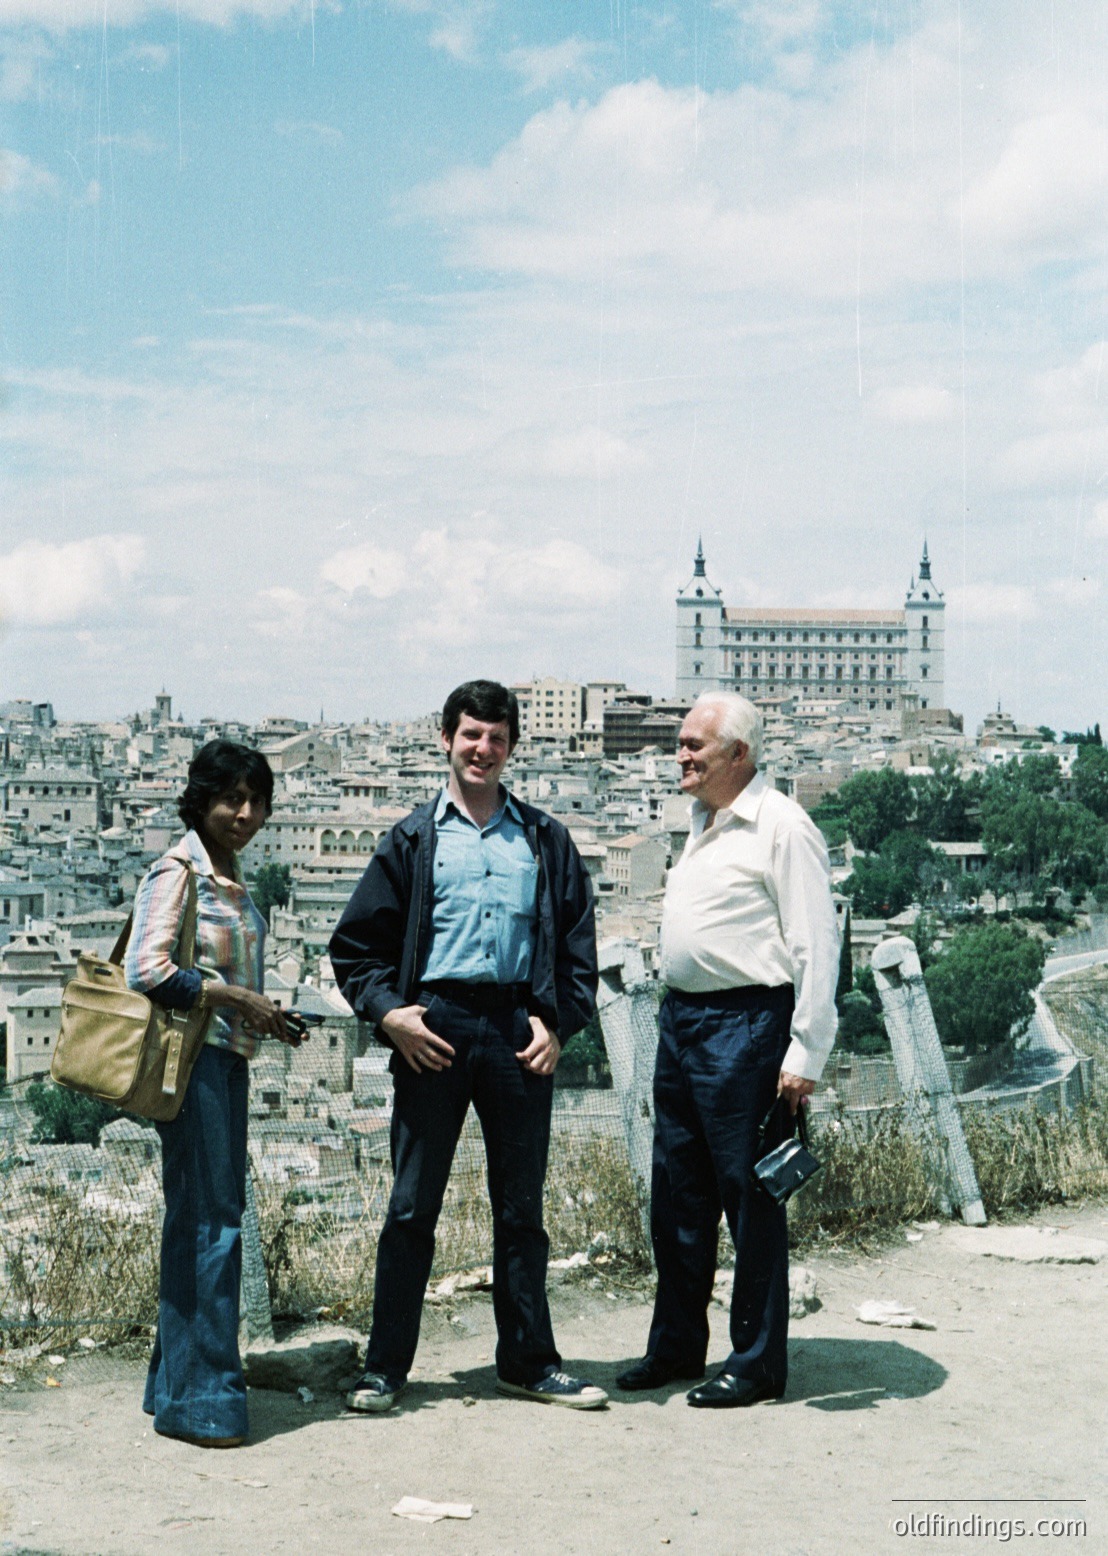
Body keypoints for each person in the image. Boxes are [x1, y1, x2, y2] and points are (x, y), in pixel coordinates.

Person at [329, 679, 605, 1412]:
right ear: (445, 738)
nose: (483, 749)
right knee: (413, 1205)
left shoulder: (543, 839)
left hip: (517, 1030)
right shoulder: (414, 839)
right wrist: (391, 1016)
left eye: (497, 737)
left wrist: (558, 1024)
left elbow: (579, 945)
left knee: (521, 1209)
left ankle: (529, 1361)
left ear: (513, 746)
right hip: (436, 1029)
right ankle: (385, 1367)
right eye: (471, 735)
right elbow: (356, 949)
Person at [617, 692, 839, 1408]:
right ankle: (678, 1346)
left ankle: (756, 1363)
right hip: (684, 1023)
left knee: (749, 1198)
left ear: (738, 755)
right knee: (678, 1192)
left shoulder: (782, 827)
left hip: (747, 1024)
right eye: (680, 745)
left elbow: (816, 944)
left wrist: (805, 1051)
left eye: (694, 746)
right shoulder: (701, 820)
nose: (679, 756)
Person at [126, 740, 302, 1447]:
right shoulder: (179, 872)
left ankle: (175, 1388)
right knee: (212, 1228)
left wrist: (268, 1015)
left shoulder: (226, 874)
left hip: (224, 1061)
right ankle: (205, 1405)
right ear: (201, 799)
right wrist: (235, 998)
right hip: (194, 1064)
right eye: (232, 799)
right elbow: (148, 968)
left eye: (257, 801)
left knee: (198, 1222)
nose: (246, 813)